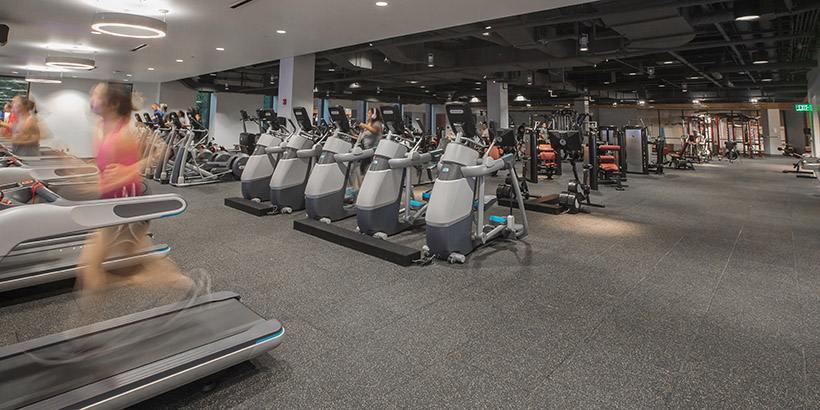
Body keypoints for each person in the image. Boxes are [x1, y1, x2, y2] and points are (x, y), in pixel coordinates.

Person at [77, 83, 158, 292]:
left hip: (126, 204)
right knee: (92, 268)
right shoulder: (101, 127)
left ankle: (175, 281)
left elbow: (161, 150)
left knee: (89, 268)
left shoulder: (125, 131)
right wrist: (77, 169)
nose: (91, 99)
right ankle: (176, 281)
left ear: (111, 105)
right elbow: (103, 166)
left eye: (96, 95)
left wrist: (129, 171)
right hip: (110, 201)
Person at [356, 107, 383, 175]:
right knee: (362, 169)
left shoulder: (377, 123)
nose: (367, 114)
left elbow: (375, 130)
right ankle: (361, 184)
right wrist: (351, 132)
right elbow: (361, 137)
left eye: (369, 113)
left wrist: (364, 125)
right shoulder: (368, 125)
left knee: (365, 169)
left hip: (373, 150)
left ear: (374, 115)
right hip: (367, 149)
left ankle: (361, 184)